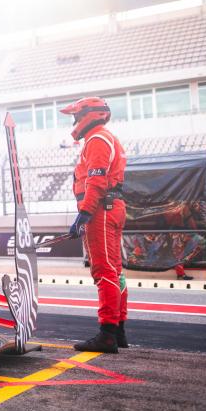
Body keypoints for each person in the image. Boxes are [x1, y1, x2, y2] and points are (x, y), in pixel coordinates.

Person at [61, 97, 128, 352]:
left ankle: (107, 334)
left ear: (88, 115)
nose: (74, 121)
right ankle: (119, 330)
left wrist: (84, 214)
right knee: (115, 271)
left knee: (104, 272)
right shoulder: (105, 137)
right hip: (112, 207)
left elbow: (97, 182)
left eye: (75, 116)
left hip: (101, 210)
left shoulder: (97, 140)